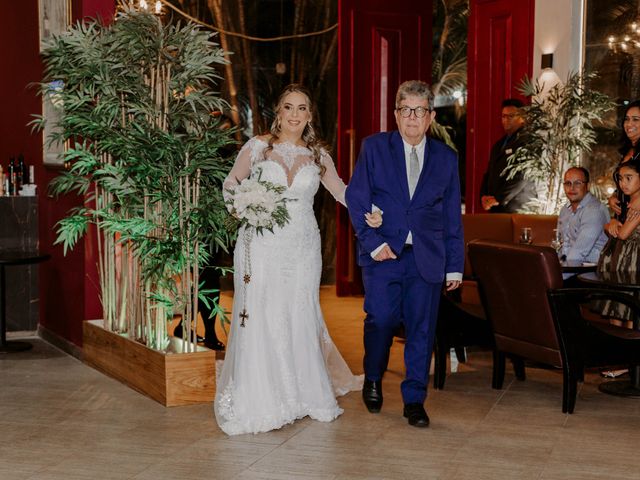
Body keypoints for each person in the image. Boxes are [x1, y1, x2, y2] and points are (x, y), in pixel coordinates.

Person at [214, 84, 381, 435]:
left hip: (303, 245)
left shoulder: (319, 156)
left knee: (300, 310)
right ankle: (261, 396)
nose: (294, 114)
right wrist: (242, 204)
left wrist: (372, 211)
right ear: (278, 112)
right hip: (260, 241)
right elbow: (232, 181)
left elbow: (342, 192)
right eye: (288, 107)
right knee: (262, 311)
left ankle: (304, 394)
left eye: (301, 108)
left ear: (309, 115)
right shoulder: (259, 146)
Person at [345, 80, 464, 428]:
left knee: (421, 329)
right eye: (406, 110)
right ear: (396, 115)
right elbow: (357, 198)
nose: (412, 117)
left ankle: (414, 400)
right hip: (383, 253)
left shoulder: (446, 158)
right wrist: (373, 241)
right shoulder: (374, 148)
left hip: (427, 258)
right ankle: (372, 375)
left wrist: (454, 266)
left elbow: (450, 216)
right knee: (379, 319)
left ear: (429, 117)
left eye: (420, 111)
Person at [597, 157, 640, 321]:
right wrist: (612, 223)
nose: (623, 183)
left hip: (632, 260)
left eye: (629, 178)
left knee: (625, 308)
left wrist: (609, 225)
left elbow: (623, 234)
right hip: (622, 256)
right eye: (621, 179)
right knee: (619, 307)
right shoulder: (628, 199)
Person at [480, 98, 537, 212]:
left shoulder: (528, 142)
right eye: (503, 116)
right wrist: (484, 196)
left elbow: (522, 176)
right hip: (496, 207)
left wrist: (499, 199)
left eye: (510, 116)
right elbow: (489, 174)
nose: (506, 120)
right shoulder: (499, 145)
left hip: (517, 208)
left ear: (522, 118)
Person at [557, 167, 609, 278]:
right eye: (568, 183)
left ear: (588, 186)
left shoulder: (593, 210)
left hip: (591, 274)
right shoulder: (565, 210)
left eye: (577, 183)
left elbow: (578, 252)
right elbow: (563, 246)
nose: (572, 188)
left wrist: (557, 278)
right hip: (570, 270)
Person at [608, 100, 640, 223]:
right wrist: (614, 196)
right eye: (627, 119)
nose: (629, 124)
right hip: (622, 219)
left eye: (636, 119)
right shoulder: (628, 151)